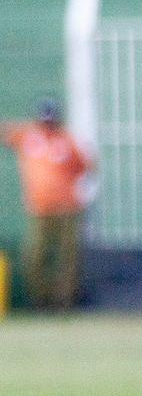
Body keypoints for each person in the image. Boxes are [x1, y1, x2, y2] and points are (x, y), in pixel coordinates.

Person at [2, 99, 94, 310]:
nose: (47, 126)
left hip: (67, 209)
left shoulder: (66, 141)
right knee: (35, 254)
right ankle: (41, 301)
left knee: (68, 257)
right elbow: (6, 131)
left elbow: (85, 167)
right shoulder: (28, 136)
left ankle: (65, 303)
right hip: (39, 209)